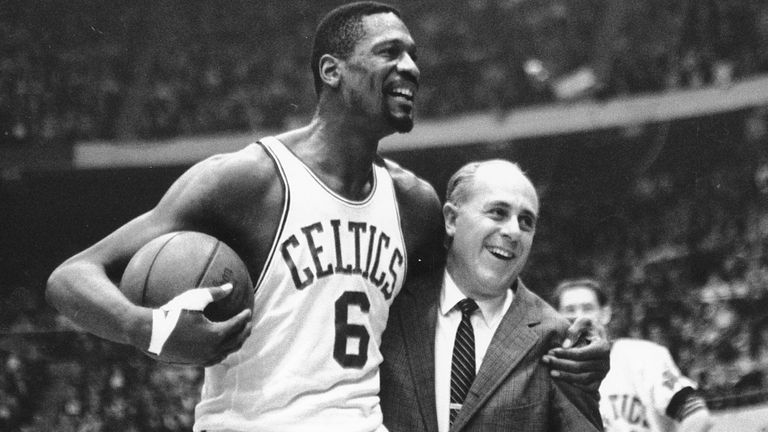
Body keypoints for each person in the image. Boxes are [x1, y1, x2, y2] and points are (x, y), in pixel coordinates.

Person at [46, 3, 607, 431]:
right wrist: (148, 329)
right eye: (390, 53)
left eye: (412, 54)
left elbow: (481, 278)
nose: (410, 67)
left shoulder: (412, 202)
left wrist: (572, 339)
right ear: (332, 70)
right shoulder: (249, 180)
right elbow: (72, 277)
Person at [379, 159, 604, 432]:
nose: (513, 232)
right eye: (498, 212)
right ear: (451, 219)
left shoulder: (555, 338)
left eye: (526, 222)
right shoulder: (390, 308)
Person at [553, 277, 715, 432]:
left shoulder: (643, 356)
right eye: (570, 310)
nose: (579, 316)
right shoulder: (549, 371)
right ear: (556, 318)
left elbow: (698, 416)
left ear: (605, 314)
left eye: (588, 308)